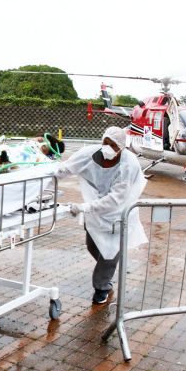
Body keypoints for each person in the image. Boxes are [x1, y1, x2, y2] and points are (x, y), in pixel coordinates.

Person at [56, 126, 147, 304]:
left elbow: (116, 199)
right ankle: (107, 271)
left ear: (122, 147)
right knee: (93, 246)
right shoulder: (89, 154)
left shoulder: (128, 164)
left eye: (112, 145)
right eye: (105, 142)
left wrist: (84, 207)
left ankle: (102, 287)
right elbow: (67, 169)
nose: (107, 147)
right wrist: (49, 175)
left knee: (109, 253)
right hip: (95, 210)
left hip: (118, 212)